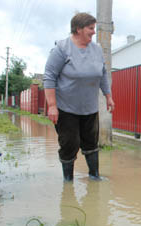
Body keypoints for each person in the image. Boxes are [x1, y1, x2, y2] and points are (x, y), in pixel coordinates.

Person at [43, 12, 114, 181]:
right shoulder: (62, 49)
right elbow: (49, 76)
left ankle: (94, 176)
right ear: (78, 29)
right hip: (66, 108)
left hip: (89, 107)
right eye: (91, 28)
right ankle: (68, 182)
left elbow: (102, 74)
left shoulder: (96, 49)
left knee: (91, 142)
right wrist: (52, 106)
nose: (93, 32)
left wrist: (108, 96)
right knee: (69, 143)